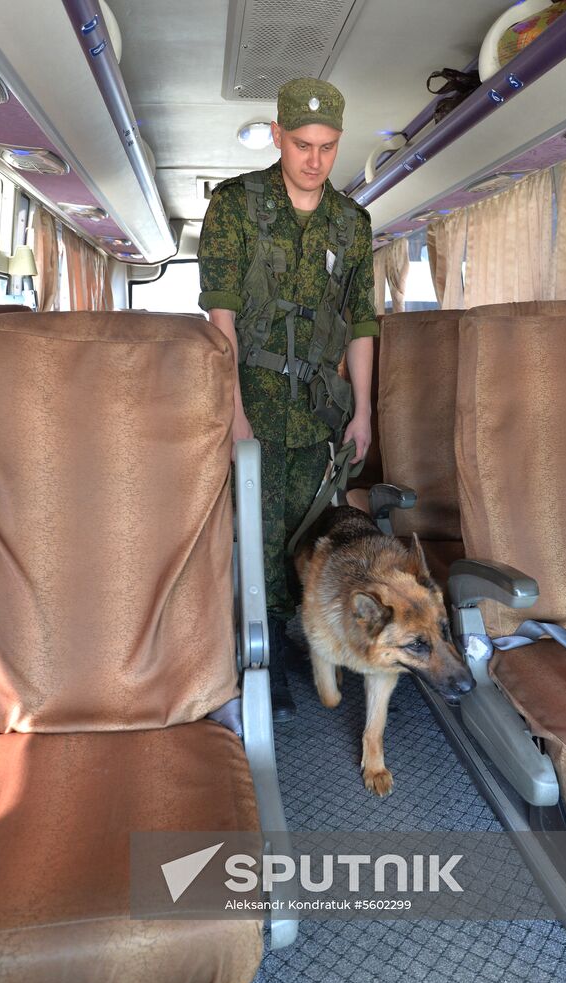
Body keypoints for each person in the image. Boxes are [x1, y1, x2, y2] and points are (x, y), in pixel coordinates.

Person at [198, 77, 378, 721]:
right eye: (302, 144)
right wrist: (233, 407)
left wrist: (362, 410)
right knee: (252, 533)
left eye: (328, 147)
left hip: (319, 415)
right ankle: (259, 654)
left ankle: (295, 634)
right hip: (254, 401)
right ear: (277, 136)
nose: (315, 160)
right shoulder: (236, 206)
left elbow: (361, 322)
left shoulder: (351, 225)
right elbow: (220, 311)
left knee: (308, 537)